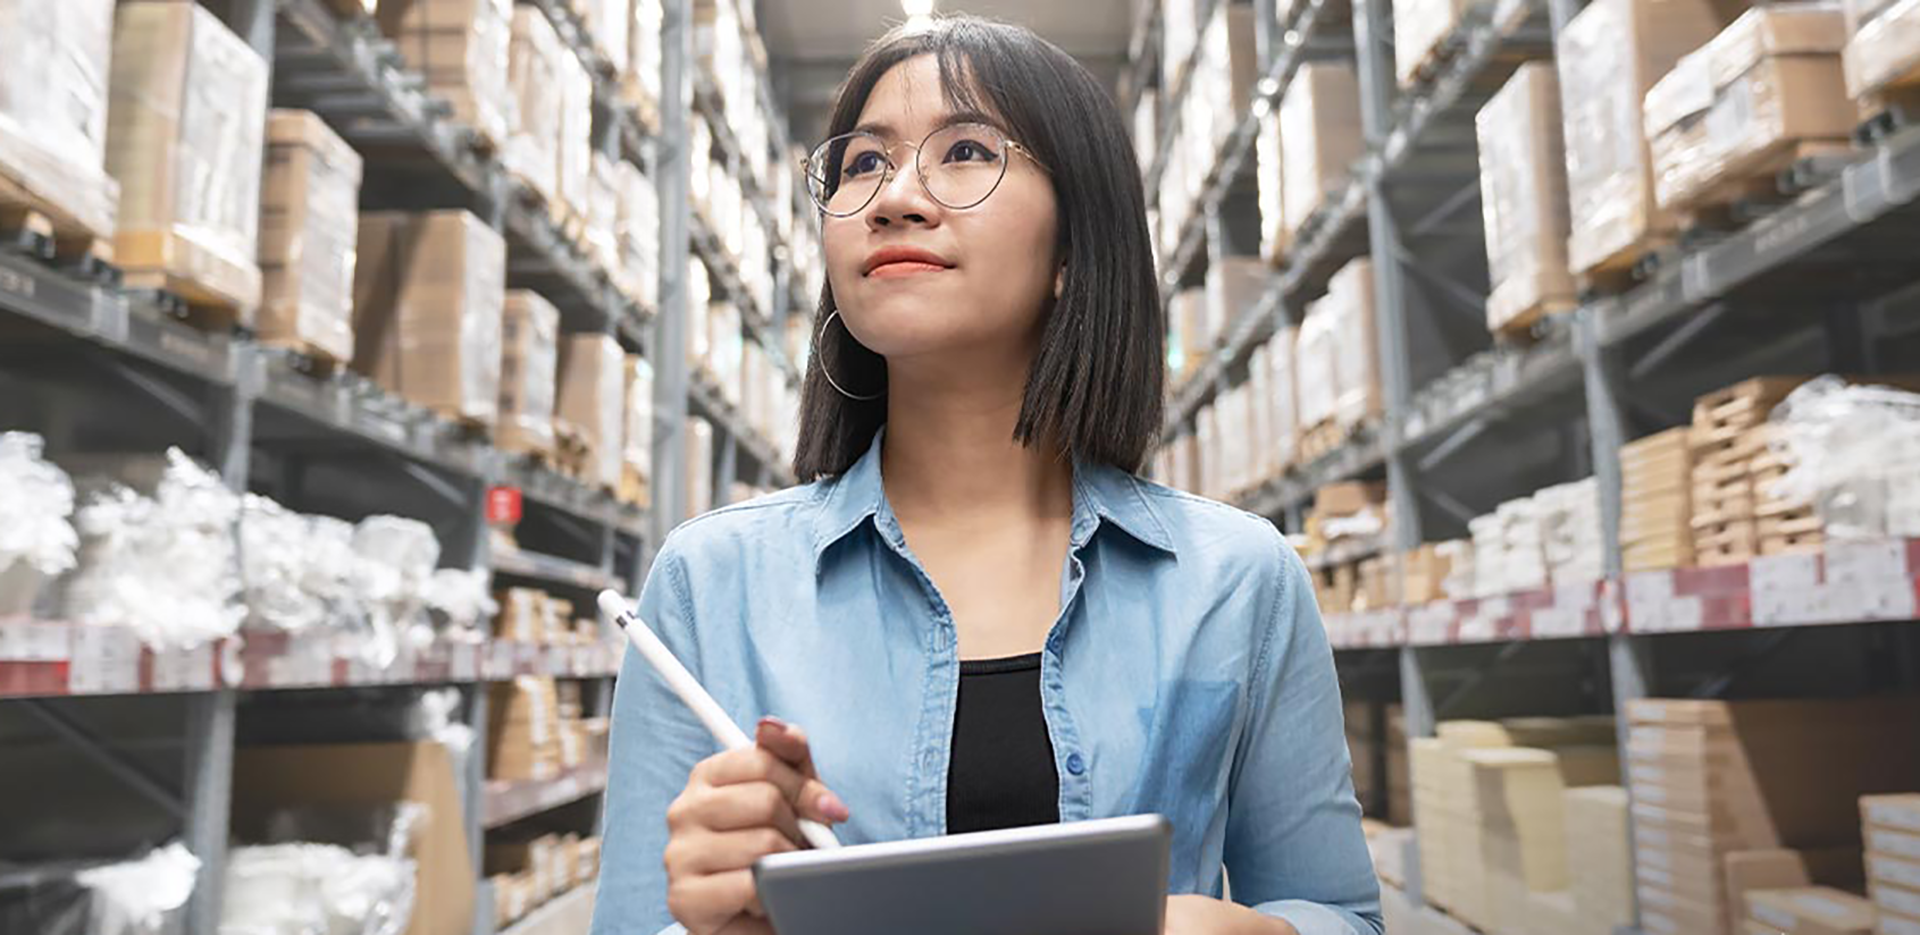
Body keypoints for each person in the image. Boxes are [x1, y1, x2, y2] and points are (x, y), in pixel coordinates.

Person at [591, 15, 1382, 935]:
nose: (894, 198)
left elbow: (1339, 913)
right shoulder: (710, 584)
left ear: (1074, 247)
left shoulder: (1238, 577)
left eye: (965, 150)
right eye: (862, 165)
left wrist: (1241, 933)